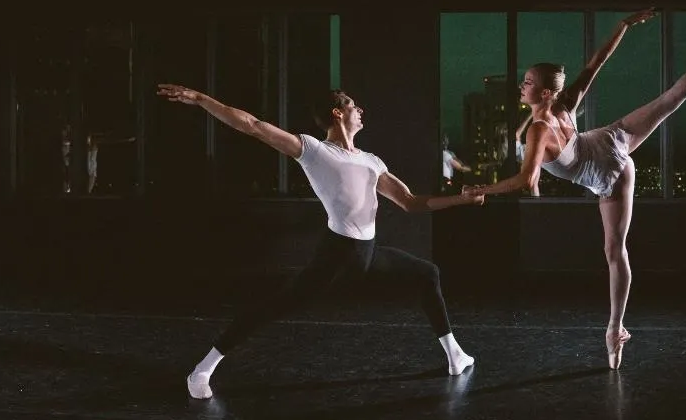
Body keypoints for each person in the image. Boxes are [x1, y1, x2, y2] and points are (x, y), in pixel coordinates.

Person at [461, 10, 686, 369]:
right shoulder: (562, 105)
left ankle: (614, 329)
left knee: (615, 251)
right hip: (608, 138)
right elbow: (596, 64)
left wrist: (482, 187)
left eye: (526, 83)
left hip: (611, 172)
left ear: (542, 91)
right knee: (670, 100)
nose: (520, 86)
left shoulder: (539, 130)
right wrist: (623, 24)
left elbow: (526, 181)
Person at [157, 84, 482, 399]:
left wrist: (462, 200)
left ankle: (455, 356)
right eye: (355, 106)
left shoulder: (372, 160)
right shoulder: (314, 151)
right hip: (336, 256)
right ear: (338, 113)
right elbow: (253, 126)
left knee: (428, 274)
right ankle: (202, 369)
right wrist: (200, 98)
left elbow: (411, 202)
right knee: (275, 306)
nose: (361, 110)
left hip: (366, 255)